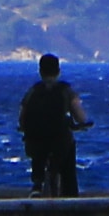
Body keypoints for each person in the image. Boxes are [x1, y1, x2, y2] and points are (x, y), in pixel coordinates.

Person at [19, 53, 87, 196]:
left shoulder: (33, 91)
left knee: (38, 156)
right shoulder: (66, 91)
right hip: (59, 142)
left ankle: (37, 184)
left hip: (35, 142)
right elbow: (80, 117)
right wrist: (82, 123)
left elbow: (22, 117)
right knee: (67, 157)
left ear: (40, 71)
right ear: (58, 71)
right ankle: (70, 194)